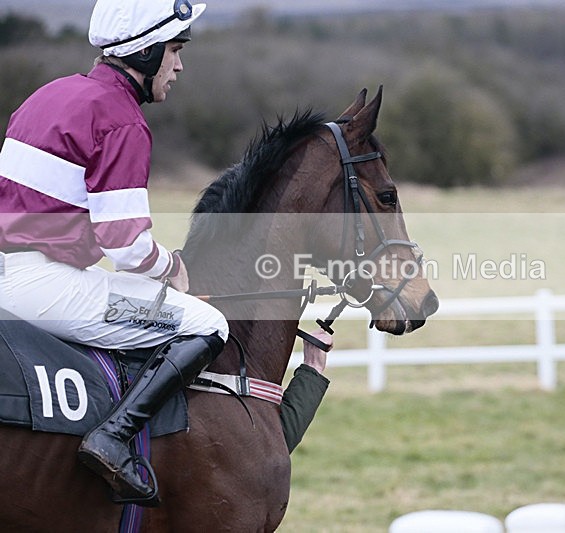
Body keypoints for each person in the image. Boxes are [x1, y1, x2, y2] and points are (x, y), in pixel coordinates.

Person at [0, 0, 329, 506]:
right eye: (174, 50)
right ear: (146, 52)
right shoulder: (121, 120)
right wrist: (174, 269)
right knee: (207, 324)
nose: (179, 66)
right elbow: (125, 244)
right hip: (47, 287)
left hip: (17, 273)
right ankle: (112, 439)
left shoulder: (50, 94)